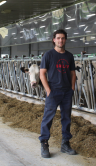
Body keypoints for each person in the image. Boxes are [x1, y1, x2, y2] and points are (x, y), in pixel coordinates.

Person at [38, 29, 77, 158]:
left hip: (66, 92)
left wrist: (72, 88)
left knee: (66, 118)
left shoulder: (69, 56)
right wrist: (48, 90)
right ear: (54, 40)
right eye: (58, 38)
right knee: (48, 118)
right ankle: (44, 143)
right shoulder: (48, 55)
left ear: (65, 40)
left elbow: (73, 73)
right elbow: (42, 73)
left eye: (63, 38)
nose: (61, 40)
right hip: (53, 91)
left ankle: (65, 144)